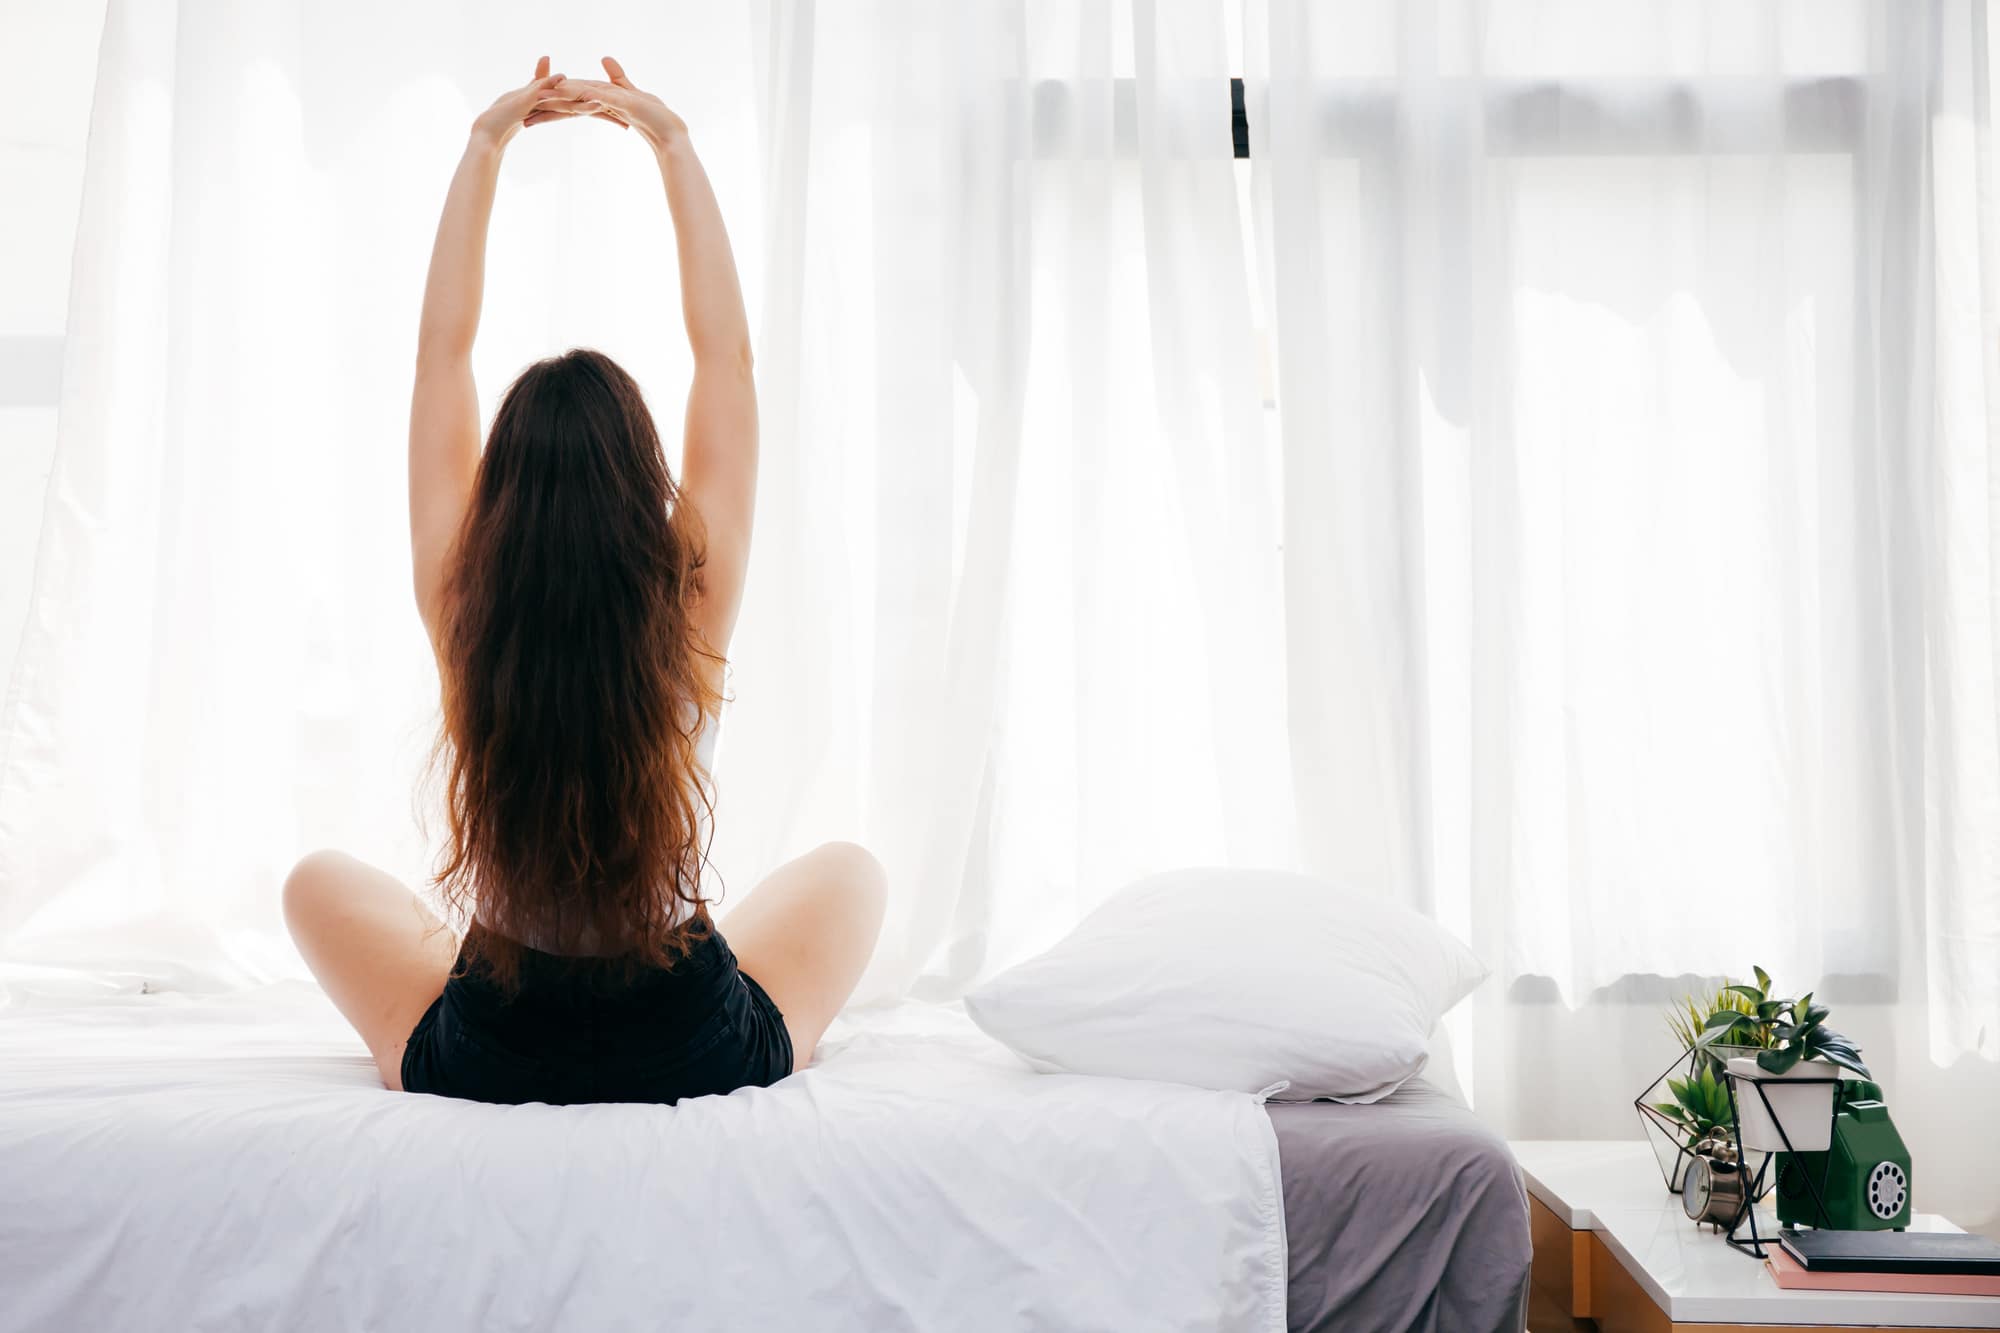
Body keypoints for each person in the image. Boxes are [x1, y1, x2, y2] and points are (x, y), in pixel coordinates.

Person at [282, 57, 885, 1105]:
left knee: (311, 886)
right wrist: (673, 146)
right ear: (643, 484)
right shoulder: (689, 604)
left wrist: (483, 150)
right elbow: (726, 365)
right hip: (686, 1036)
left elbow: (440, 361)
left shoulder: (463, 607)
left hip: (495, 1045)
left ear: (501, 495)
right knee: (853, 874)